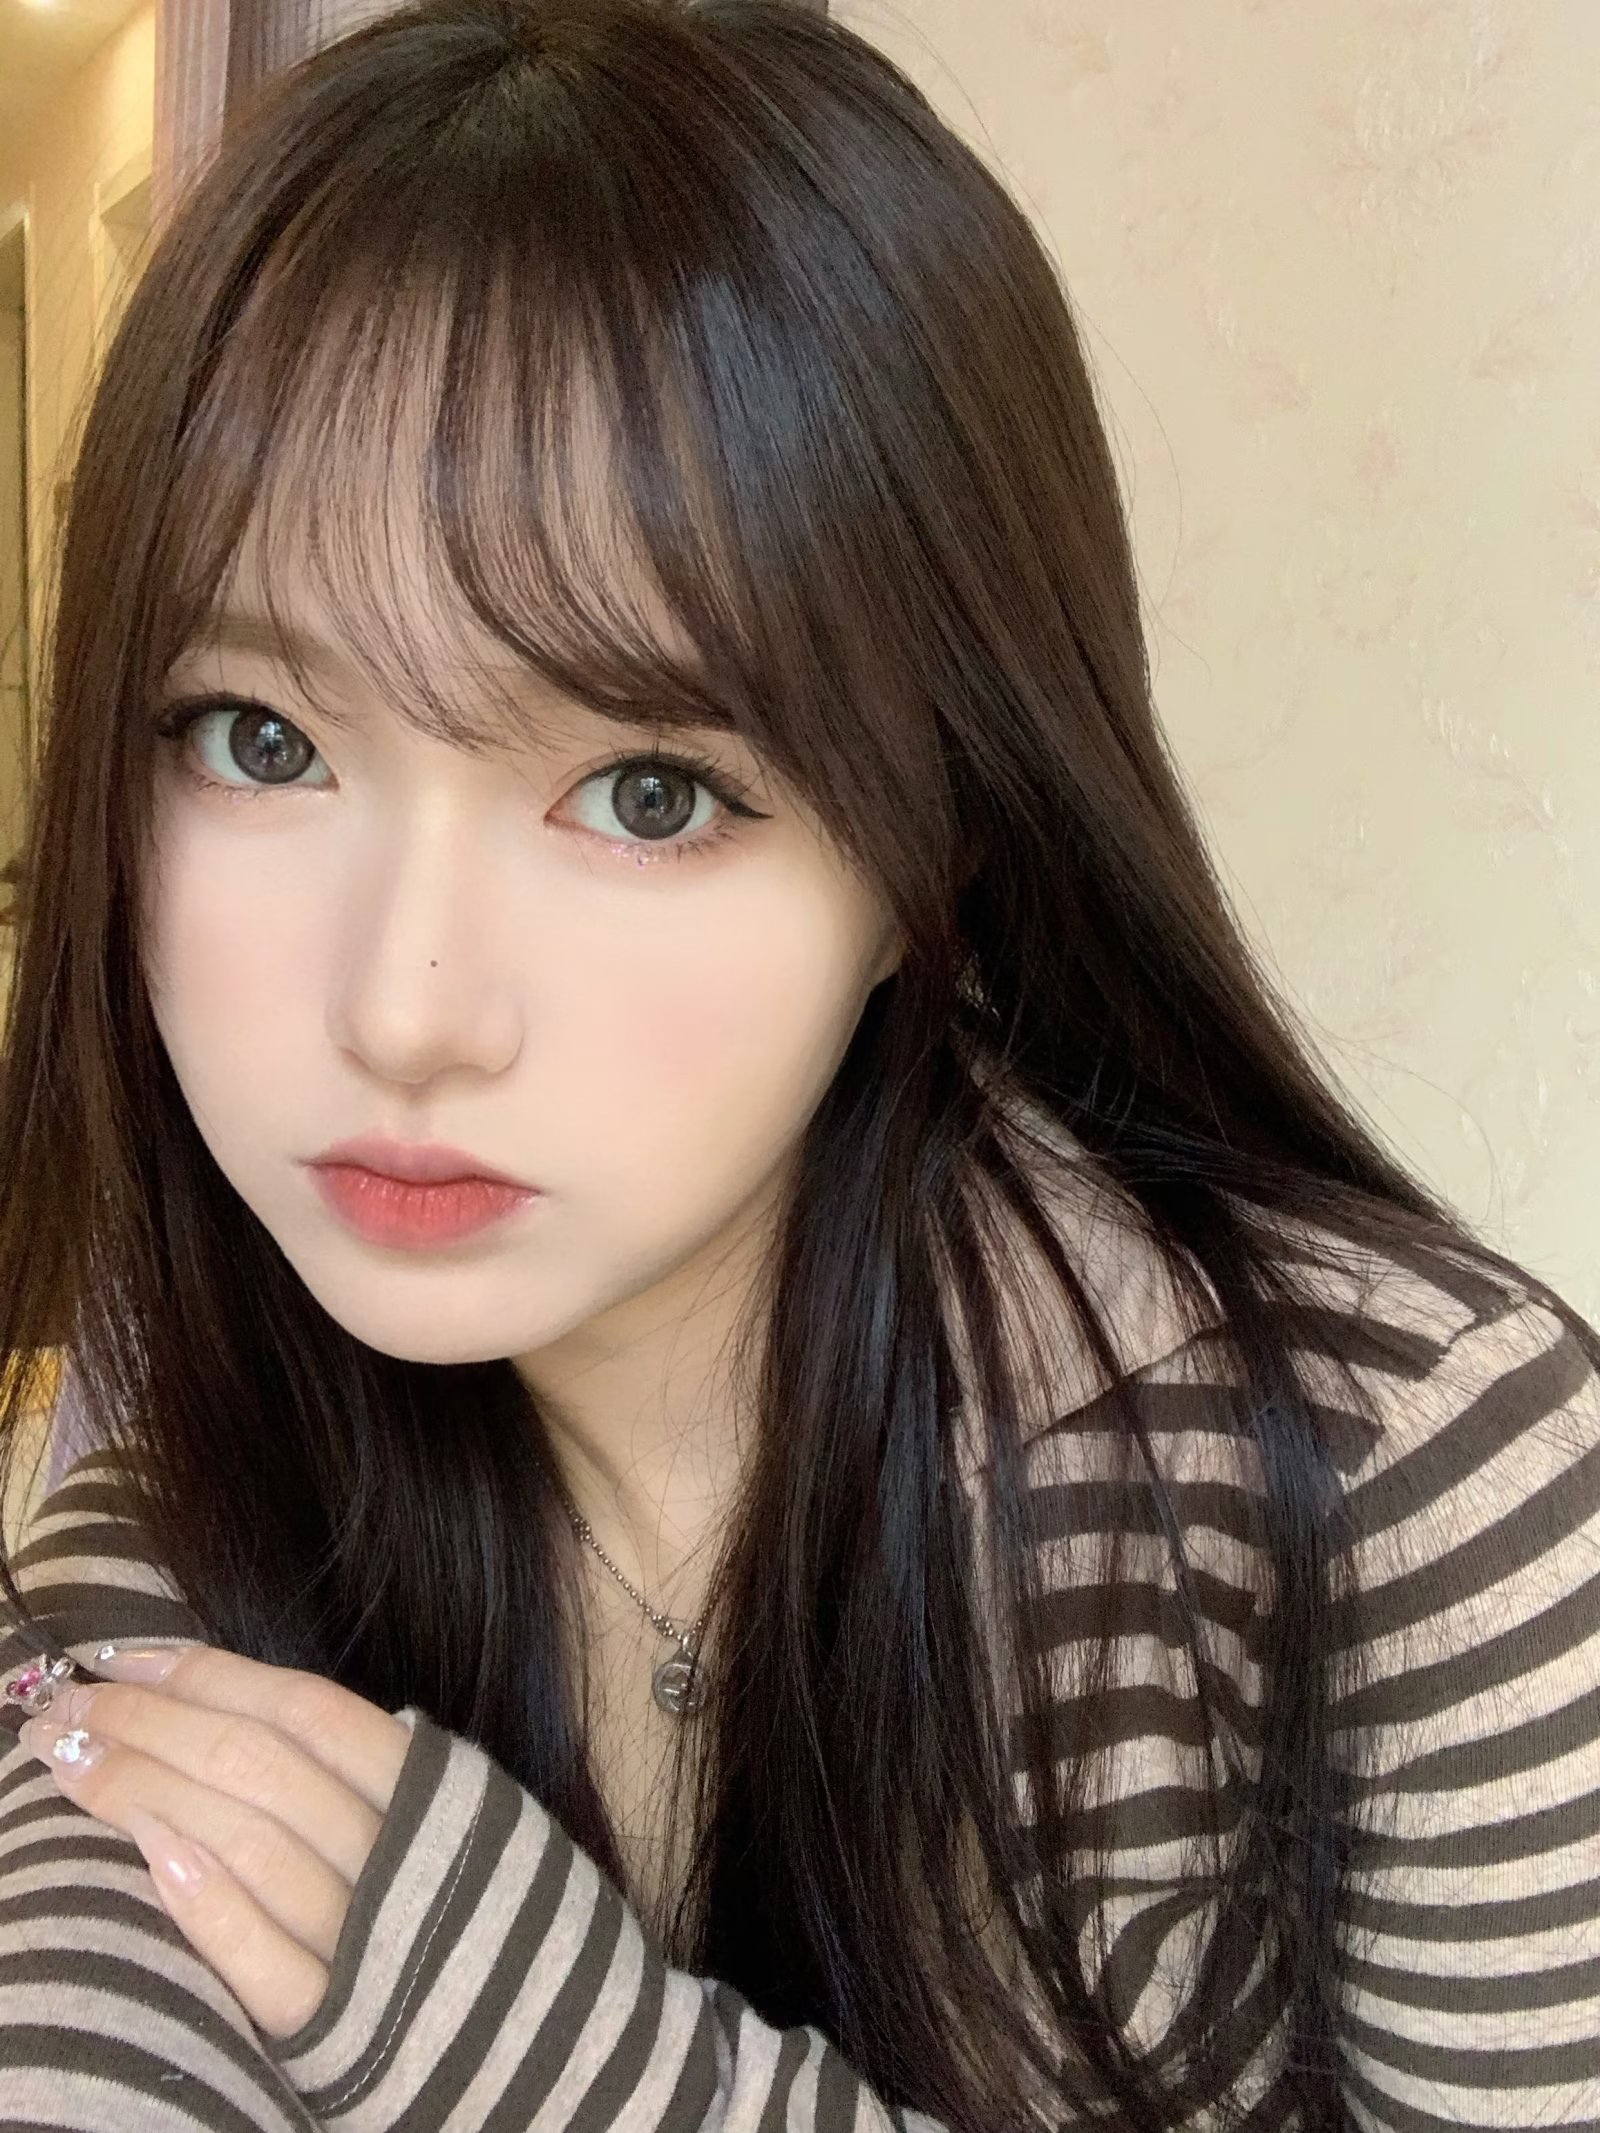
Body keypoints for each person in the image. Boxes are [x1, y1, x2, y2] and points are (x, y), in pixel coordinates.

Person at [0, 0, 1596, 2125]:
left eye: (648, 789)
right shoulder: (175, 1525)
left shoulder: (1408, 1482)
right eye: (261, 738)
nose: (403, 1009)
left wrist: (576, 2062)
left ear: (932, 851)